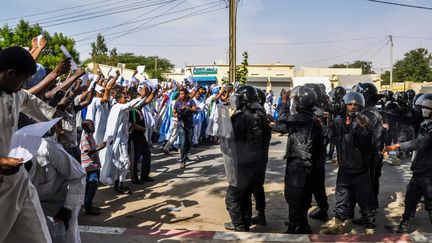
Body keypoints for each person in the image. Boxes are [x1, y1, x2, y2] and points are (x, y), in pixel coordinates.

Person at [0, 46, 55, 242]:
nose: (23, 85)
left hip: (17, 184)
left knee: (37, 236)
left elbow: (32, 102)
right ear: (10, 73)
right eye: (22, 80)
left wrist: (57, 117)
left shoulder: (16, 94)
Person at [271, 86, 325, 233]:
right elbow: (285, 128)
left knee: (294, 196)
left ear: (300, 103)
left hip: (299, 164)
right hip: (308, 164)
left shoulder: (302, 117)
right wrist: (270, 123)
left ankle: (295, 226)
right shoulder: (310, 118)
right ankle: (303, 224)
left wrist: (283, 102)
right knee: (304, 195)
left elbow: (283, 118)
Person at [321, 91, 376, 234]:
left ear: (360, 106)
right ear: (345, 105)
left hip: (360, 169)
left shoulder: (363, 121)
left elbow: (369, 143)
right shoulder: (339, 120)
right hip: (344, 168)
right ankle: (338, 223)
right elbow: (332, 137)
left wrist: (365, 128)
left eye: (355, 105)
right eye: (350, 104)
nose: (352, 107)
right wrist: (325, 123)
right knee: (340, 199)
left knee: (365, 200)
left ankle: (370, 226)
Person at [383, 93, 432, 233]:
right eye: (423, 107)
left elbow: (419, 143)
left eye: (428, 107)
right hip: (419, 170)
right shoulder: (424, 124)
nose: (424, 109)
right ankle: (403, 227)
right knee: (410, 199)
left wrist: (397, 146)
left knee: (430, 205)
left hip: (429, 173)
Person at [223, 85, 269, 232]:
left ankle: (240, 227)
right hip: (257, 163)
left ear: (242, 101)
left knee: (233, 198)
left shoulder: (240, 118)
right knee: (246, 196)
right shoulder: (262, 117)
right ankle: (246, 224)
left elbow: (230, 142)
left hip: (242, 164)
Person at [30, 137, 86, 243]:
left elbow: (78, 176)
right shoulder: (7, 158)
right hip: (35, 203)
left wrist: (68, 208)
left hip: (62, 200)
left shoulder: (48, 148)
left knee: (66, 236)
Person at [251, 88, 272, 226]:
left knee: (252, 186)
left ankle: (249, 216)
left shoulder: (256, 117)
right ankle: (261, 214)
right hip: (261, 156)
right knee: (258, 186)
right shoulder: (263, 115)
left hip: (254, 157)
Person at [80, 120, 106, 215]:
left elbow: (93, 148)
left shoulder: (90, 137)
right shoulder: (85, 138)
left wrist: (103, 144)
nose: (94, 127)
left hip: (94, 165)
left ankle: (88, 205)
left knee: (90, 186)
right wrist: (101, 147)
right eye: (91, 125)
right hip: (90, 166)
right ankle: (88, 207)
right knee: (93, 184)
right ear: (85, 127)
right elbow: (89, 151)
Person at [173, 88, 196, 168]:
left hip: (189, 124)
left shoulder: (191, 101)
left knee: (189, 142)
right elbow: (174, 111)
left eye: (182, 94)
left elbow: (194, 109)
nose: (181, 95)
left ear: (186, 94)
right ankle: (182, 160)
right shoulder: (177, 102)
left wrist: (187, 108)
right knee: (183, 143)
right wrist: (175, 114)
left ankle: (185, 155)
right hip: (181, 124)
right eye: (180, 94)